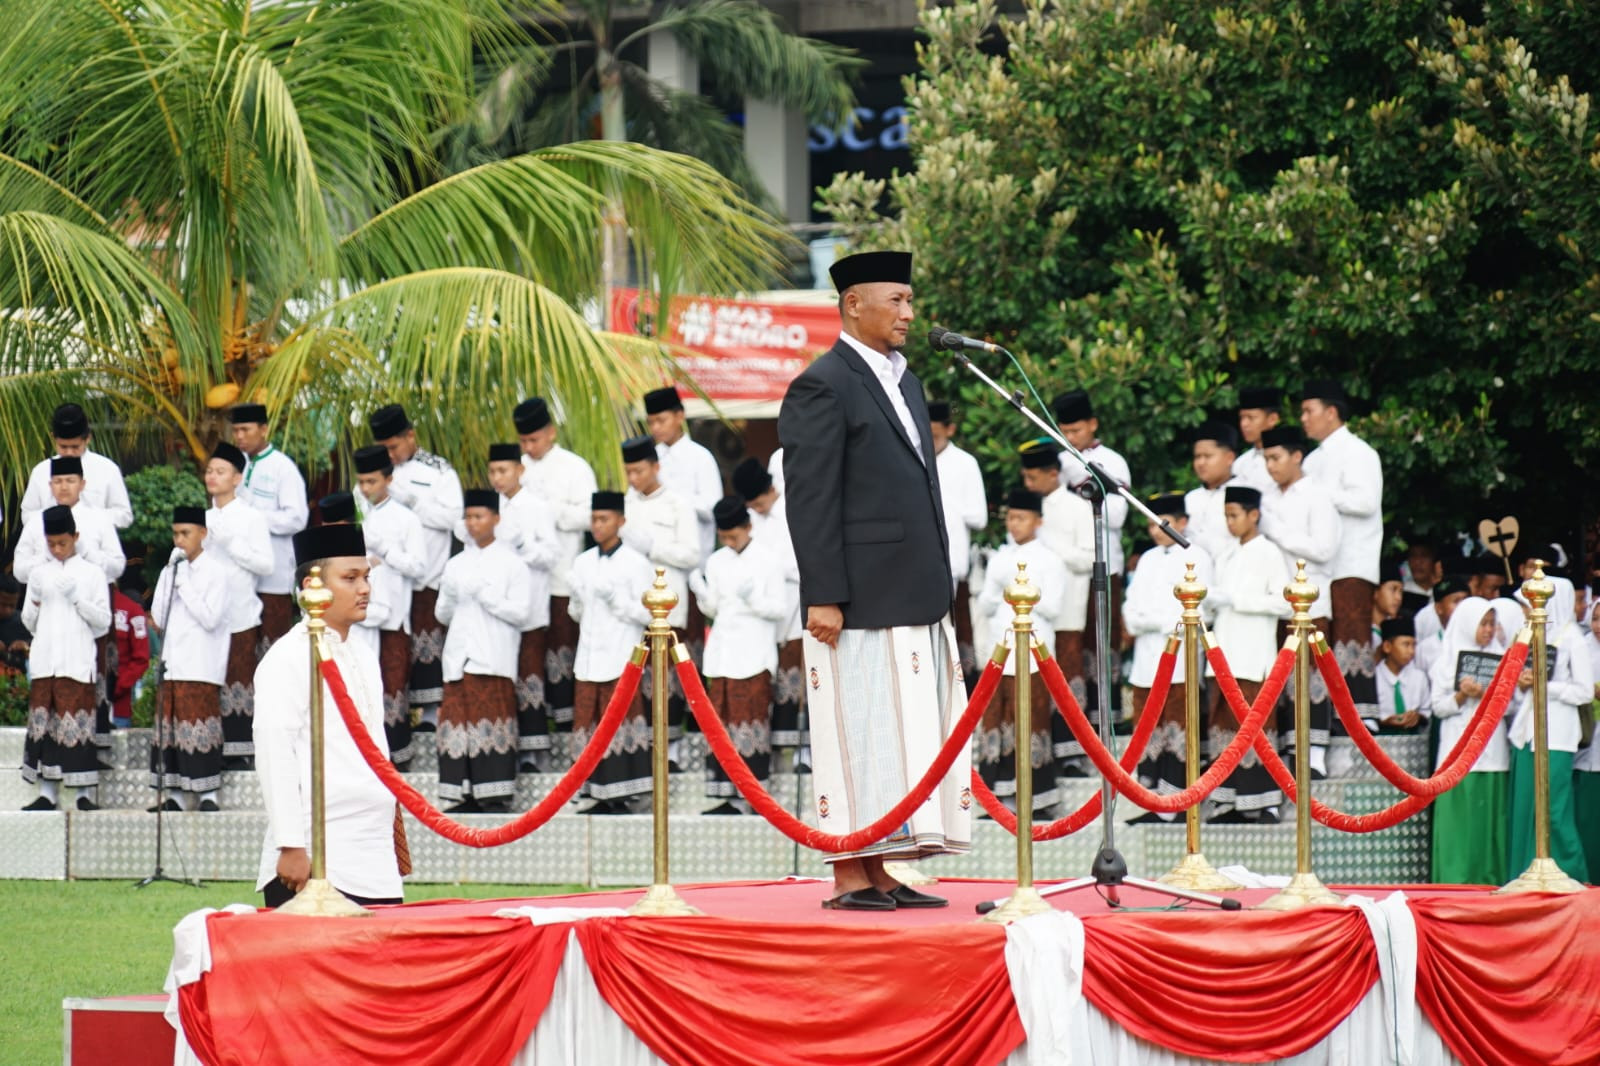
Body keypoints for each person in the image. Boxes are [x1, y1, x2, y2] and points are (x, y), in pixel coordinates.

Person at [779, 249, 965, 911]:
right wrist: (823, 592)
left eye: (911, 301)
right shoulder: (822, 384)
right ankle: (848, 874)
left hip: (912, 592)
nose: (909, 314)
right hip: (854, 599)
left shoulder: (905, 380)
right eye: (897, 301)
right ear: (854, 303)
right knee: (856, 735)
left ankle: (883, 869)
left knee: (898, 740)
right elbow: (810, 497)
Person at [254, 524, 404, 909]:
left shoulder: (365, 655)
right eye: (350, 578)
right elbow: (275, 752)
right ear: (312, 586)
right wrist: (290, 844)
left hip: (373, 853)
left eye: (367, 577)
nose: (365, 588)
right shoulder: (288, 656)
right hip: (317, 854)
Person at [15, 455, 125, 759]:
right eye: (58, 481)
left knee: (90, 681)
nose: (64, 487)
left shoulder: (99, 519)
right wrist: (48, 561)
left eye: (70, 480)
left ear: (82, 484)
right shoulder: (37, 522)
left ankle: (94, 754)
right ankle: (51, 772)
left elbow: (117, 566)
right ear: (50, 485)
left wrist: (86, 555)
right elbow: (20, 568)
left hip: (89, 603)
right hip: (48, 608)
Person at [433, 489, 533, 813]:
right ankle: (463, 794)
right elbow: (442, 615)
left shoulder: (513, 564)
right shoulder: (456, 564)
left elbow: (521, 613)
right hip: (458, 656)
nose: (473, 523)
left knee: (490, 723)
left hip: (492, 656)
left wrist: (487, 596)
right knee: (458, 725)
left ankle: (495, 795)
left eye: (479, 516)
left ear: (496, 519)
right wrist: (448, 595)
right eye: (469, 517)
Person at [691, 496, 789, 814]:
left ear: (748, 527)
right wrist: (700, 591)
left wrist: (755, 599)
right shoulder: (717, 561)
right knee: (721, 720)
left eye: (734, 535)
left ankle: (752, 796)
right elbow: (714, 609)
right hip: (722, 651)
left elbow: (779, 609)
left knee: (749, 720)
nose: (729, 542)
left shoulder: (768, 560)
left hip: (754, 650)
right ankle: (726, 794)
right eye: (724, 537)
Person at [369, 403, 463, 732]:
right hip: (387, 578)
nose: (390, 455)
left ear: (410, 436)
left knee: (427, 644)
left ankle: (429, 715)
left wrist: (415, 503)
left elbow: (454, 519)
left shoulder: (438, 470)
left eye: (393, 447)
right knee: (393, 651)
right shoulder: (376, 472)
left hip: (427, 574)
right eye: (384, 449)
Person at [974, 488, 1069, 813]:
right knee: (996, 721)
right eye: (1010, 518)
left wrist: (1020, 591)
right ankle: (996, 798)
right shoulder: (1000, 558)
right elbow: (985, 606)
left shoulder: (1050, 559)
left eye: (1021, 518)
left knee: (1032, 720)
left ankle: (1036, 798)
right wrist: (999, 585)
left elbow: (1054, 608)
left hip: (1033, 652)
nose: (1014, 525)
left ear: (1037, 521)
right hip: (1000, 651)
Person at [1125, 492, 1213, 820]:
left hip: (1180, 651)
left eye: (1162, 523)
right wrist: (1148, 622)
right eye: (1150, 524)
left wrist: (1156, 622)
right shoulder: (1147, 559)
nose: (1154, 530)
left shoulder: (1198, 556)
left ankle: (1175, 804)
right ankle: (1153, 802)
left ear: (1183, 522)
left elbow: (1200, 606)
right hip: (1147, 652)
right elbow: (1131, 608)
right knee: (1150, 723)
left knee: (1177, 723)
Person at [1300, 379, 1384, 727]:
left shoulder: (1359, 452)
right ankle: (1327, 716)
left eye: (1309, 411)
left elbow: (1365, 502)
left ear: (1331, 413)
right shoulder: (1311, 459)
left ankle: (1361, 716)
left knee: (1352, 634)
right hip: (1320, 562)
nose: (1304, 419)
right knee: (1322, 636)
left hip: (1352, 558)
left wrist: (1320, 495)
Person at [1257, 424, 1340, 775]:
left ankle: (1315, 754)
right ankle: (1284, 752)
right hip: (1275, 601)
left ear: (1296, 456)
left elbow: (1324, 549)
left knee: (1310, 677)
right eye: (1266, 459)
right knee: (1280, 677)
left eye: (1276, 458)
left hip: (1311, 602)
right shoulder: (1266, 498)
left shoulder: (1318, 496)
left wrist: (1278, 533)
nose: (1270, 466)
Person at [514, 396, 598, 740]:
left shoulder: (575, 467)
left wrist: (547, 510)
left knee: (562, 650)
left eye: (534, 439)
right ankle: (535, 731)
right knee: (532, 654)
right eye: (524, 441)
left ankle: (566, 727)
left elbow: (590, 517)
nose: (529, 447)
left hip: (562, 576)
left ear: (550, 432)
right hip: (525, 582)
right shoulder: (517, 468)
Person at [18, 506, 113, 811]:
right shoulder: (39, 573)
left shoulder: (92, 573)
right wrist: (33, 600)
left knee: (76, 726)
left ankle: (83, 793)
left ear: (76, 537)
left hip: (76, 660)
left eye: (63, 543)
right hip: (46, 661)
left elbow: (103, 622)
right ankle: (47, 792)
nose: (57, 549)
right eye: (51, 544)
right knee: (45, 726)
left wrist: (77, 598)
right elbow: (29, 623)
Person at [567, 491, 654, 814]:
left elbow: (649, 615)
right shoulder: (583, 561)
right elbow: (578, 614)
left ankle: (623, 794)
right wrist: (577, 598)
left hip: (620, 656)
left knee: (620, 721)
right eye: (594, 519)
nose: (597, 526)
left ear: (621, 521)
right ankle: (596, 793)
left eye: (604, 519)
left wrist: (616, 600)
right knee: (590, 724)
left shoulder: (636, 563)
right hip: (588, 656)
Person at [1205, 485, 1288, 822]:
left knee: (1256, 724)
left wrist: (1237, 600)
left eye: (1235, 515)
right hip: (1224, 649)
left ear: (1254, 515)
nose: (1230, 522)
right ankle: (1227, 800)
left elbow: (1283, 602)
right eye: (1226, 516)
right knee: (1224, 724)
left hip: (1254, 651)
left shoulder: (1269, 553)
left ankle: (1265, 802)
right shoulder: (1225, 553)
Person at [620, 433, 700, 764]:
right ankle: (644, 750)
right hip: (631, 605)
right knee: (639, 679)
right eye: (629, 472)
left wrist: (653, 547)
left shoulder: (678, 504)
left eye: (639, 471)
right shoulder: (626, 503)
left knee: (667, 680)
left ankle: (673, 750)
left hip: (668, 607)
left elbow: (692, 554)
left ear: (656, 467)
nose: (634, 478)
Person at [1507, 575, 1590, 882]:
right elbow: (1520, 691)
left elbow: (1583, 691)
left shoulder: (1573, 640)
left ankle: (1573, 873)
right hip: (1529, 731)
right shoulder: (1531, 636)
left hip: (1558, 736)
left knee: (1554, 811)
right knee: (1526, 808)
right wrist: (1525, 683)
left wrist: (1546, 685)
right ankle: (1525, 874)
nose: (1528, 611)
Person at [1018, 439, 1093, 773]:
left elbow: (1089, 558)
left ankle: (1073, 754)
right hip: (1033, 612)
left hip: (1068, 609)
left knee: (1067, 676)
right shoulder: (1030, 508)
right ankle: (1040, 754)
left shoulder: (1077, 507)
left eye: (1033, 477)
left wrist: (1051, 546)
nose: (1028, 484)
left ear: (1053, 473)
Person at [353, 445, 429, 768]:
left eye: (372, 481)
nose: (366, 489)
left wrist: (387, 553)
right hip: (361, 616)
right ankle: (366, 756)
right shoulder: (358, 513)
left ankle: (396, 757)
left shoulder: (407, 519)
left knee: (392, 683)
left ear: (388, 478)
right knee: (363, 684)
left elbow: (419, 568)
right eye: (362, 482)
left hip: (394, 616)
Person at [148, 507, 229, 812]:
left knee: (199, 728)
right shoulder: (170, 570)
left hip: (201, 664)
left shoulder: (216, 572)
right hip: (172, 663)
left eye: (186, 533)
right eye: (176, 533)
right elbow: (158, 616)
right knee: (171, 731)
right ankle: (175, 796)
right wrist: (172, 579)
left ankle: (208, 796)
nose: (179, 540)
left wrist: (185, 585)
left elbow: (210, 618)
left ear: (203, 534)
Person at [1053, 388, 1131, 695]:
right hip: (1069, 567)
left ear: (1093, 424)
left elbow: (1119, 515)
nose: (1071, 437)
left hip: (1105, 561)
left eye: (1077, 430)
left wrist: (1082, 485)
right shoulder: (1057, 462)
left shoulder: (1113, 461)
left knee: (1102, 638)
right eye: (1065, 431)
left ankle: (1106, 714)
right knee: (1072, 641)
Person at [731, 457, 808, 770]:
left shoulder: (794, 509)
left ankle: (805, 754)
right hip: (760, 614)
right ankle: (772, 756)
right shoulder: (751, 520)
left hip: (793, 603)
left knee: (797, 682)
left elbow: (802, 561)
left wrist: (777, 569)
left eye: (760, 502)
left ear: (771, 489)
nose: (757, 508)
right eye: (752, 504)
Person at [1426, 596, 1509, 884]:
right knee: (1458, 824)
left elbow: (1511, 706)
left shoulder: (1502, 659)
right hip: (1457, 752)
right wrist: (1461, 696)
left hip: (1493, 752)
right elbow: (1438, 707)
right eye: (1482, 623)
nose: (1487, 630)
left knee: (1488, 824)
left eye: (1491, 623)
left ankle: (1488, 880)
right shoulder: (1445, 663)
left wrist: (1487, 695)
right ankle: (1454, 880)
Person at [488, 443, 559, 771]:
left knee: (529, 676)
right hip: (495, 608)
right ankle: (504, 751)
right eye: (493, 471)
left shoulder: (537, 507)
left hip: (528, 606)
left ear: (520, 470)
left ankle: (533, 756)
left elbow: (550, 556)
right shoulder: (489, 508)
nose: (497, 478)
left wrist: (522, 545)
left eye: (503, 470)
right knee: (501, 676)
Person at [204, 442, 275, 770]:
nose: (212, 477)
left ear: (237, 478)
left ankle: (240, 749)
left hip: (240, 612)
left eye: (220, 472)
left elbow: (266, 565)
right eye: (209, 471)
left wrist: (234, 547)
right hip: (205, 614)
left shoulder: (251, 517)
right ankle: (209, 747)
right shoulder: (203, 518)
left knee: (239, 679)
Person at [230, 404, 309, 648]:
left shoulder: (283, 468)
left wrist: (253, 518)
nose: (240, 437)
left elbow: (297, 518)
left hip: (274, 579)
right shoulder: (236, 466)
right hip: (241, 575)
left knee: (273, 645)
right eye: (235, 431)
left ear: (263, 429)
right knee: (244, 647)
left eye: (245, 429)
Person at [929, 400, 988, 688]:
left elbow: (980, 517)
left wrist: (947, 507)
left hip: (954, 565)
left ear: (949, 429)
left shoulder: (966, 463)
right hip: (920, 565)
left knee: (956, 633)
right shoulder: (915, 457)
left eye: (935, 435)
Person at [20, 402, 133, 529]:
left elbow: (125, 516)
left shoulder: (107, 469)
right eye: (63, 446)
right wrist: (53, 518)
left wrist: (87, 516)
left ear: (88, 438)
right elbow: (27, 514)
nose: (69, 453)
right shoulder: (41, 471)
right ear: (53, 438)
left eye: (75, 447)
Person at [644, 386, 722, 562]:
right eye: (651, 422)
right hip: (657, 559)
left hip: (694, 560)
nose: (656, 428)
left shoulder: (701, 458)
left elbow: (713, 510)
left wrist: (673, 495)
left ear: (679, 416)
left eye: (661, 420)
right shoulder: (650, 460)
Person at [1184, 421, 1241, 563]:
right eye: (1197, 457)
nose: (1201, 463)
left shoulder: (1243, 494)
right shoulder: (1191, 498)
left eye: (1208, 456)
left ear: (1229, 458)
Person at [1571, 597, 1600, 876]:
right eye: (1595, 618)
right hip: (1586, 748)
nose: (1599, 626)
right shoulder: (1582, 651)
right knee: (1588, 821)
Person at [1370, 616, 1429, 736]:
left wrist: (1417, 717)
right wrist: (1385, 723)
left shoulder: (1419, 678)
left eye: (1413, 645)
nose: (1411, 651)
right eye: (1406, 645)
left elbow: (1426, 713)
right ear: (1387, 647)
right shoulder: (1373, 679)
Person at [110, 570, 151, 729]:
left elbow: (141, 659)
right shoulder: (80, 608)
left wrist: (117, 686)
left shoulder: (132, 610)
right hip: (84, 702)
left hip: (120, 705)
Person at [1413, 575, 1470, 679]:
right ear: (1439, 608)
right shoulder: (1424, 649)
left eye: (1465, 600)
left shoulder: (1477, 641)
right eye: (1456, 601)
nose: (1462, 607)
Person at [1231, 386, 1283, 495]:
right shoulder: (1240, 464)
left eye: (1251, 418)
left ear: (1272, 419)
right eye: (1242, 418)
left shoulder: (1286, 460)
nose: (1244, 424)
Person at [0, 575, 32, 677]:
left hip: (17, 685)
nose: (8, 610)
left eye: (12, 605)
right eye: (3, 604)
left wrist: (26, 646)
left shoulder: (24, 622)